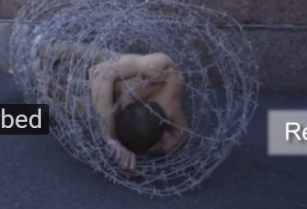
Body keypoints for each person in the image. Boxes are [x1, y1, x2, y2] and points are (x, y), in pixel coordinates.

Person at [27, 41, 188, 172]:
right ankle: (47, 47)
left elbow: (145, 146)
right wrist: (109, 137)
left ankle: (59, 95)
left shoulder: (174, 137)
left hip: (117, 99)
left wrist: (125, 153)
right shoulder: (160, 69)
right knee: (103, 59)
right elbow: (99, 72)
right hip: (115, 73)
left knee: (93, 116)